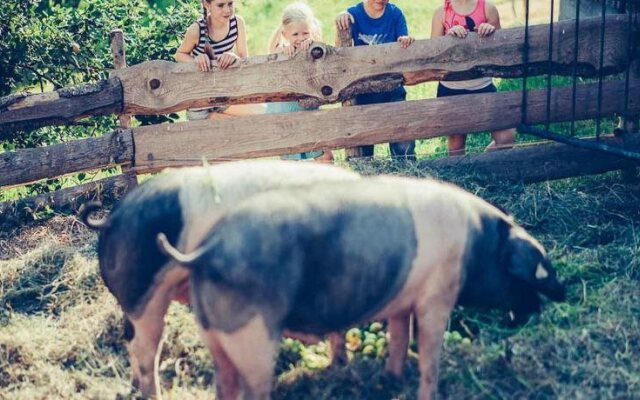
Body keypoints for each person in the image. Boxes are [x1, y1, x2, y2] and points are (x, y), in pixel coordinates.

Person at [431, 0, 515, 156]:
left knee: (506, 138)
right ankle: (461, 178)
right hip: (451, 87)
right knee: (456, 145)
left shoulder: (488, 8)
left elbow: (502, 49)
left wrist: (491, 32)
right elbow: (433, 53)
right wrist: (448, 38)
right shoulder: (441, 12)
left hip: (482, 85)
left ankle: (480, 164)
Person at [336, 0, 416, 161]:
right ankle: (363, 173)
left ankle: (406, 169)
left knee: (402, 137)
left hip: (392, 88)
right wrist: (341, 18)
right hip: (363, 91)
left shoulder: (395, 13)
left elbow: (403, 43)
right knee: (363, 141)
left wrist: (405, 41)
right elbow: (340, 52)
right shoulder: (353, 14)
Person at [266, 2, 333, 162]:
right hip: (285, 114)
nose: (300, 38)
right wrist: (283, 53)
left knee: (325, 156)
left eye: (305, 33)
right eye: (295, 34)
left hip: (308, 111)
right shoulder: (281, 50)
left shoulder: (315, 49)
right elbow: (273, 53)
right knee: (291, 160)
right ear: (285, 34)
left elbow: (324, 60)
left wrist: (312, 47)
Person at [175, 0, 264, 120]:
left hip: (225, 95)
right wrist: (196, 60)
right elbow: (179, 54)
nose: (227, 10)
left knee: (263, 113)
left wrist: (234, 58)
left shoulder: (237, 23)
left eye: (230, 3)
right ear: (207, 5)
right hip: (200, 104)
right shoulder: (197, 30)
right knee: (230, 129)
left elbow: (244, 58)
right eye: (220, 5)